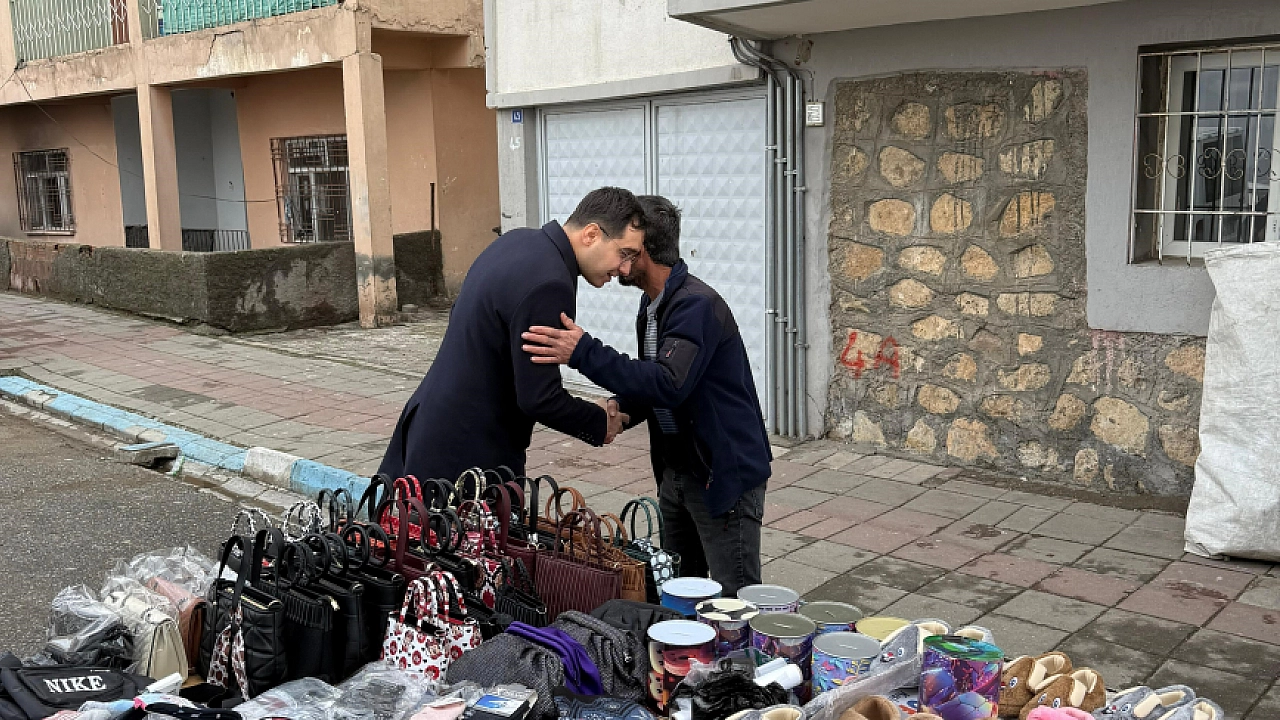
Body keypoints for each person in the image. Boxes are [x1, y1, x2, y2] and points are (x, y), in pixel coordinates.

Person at [520, 195, 771, 594]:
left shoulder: (695, 306)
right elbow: (656, 383)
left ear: (643, 252)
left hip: (720, 474)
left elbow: (669, 382)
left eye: (625, 252)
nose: (618, 265)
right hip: (677, 471)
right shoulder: (653, 305)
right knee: (682, 590)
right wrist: (622, 410)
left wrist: (583, 352)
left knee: (734, 597)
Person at [378, 187, 646, 483]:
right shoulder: (550, 283)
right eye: (624, 254)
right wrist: (599, 422)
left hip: (430, 426)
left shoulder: (517, 241)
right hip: (469, 455)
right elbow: (539, 397)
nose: (626, 269)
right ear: (592, 234)